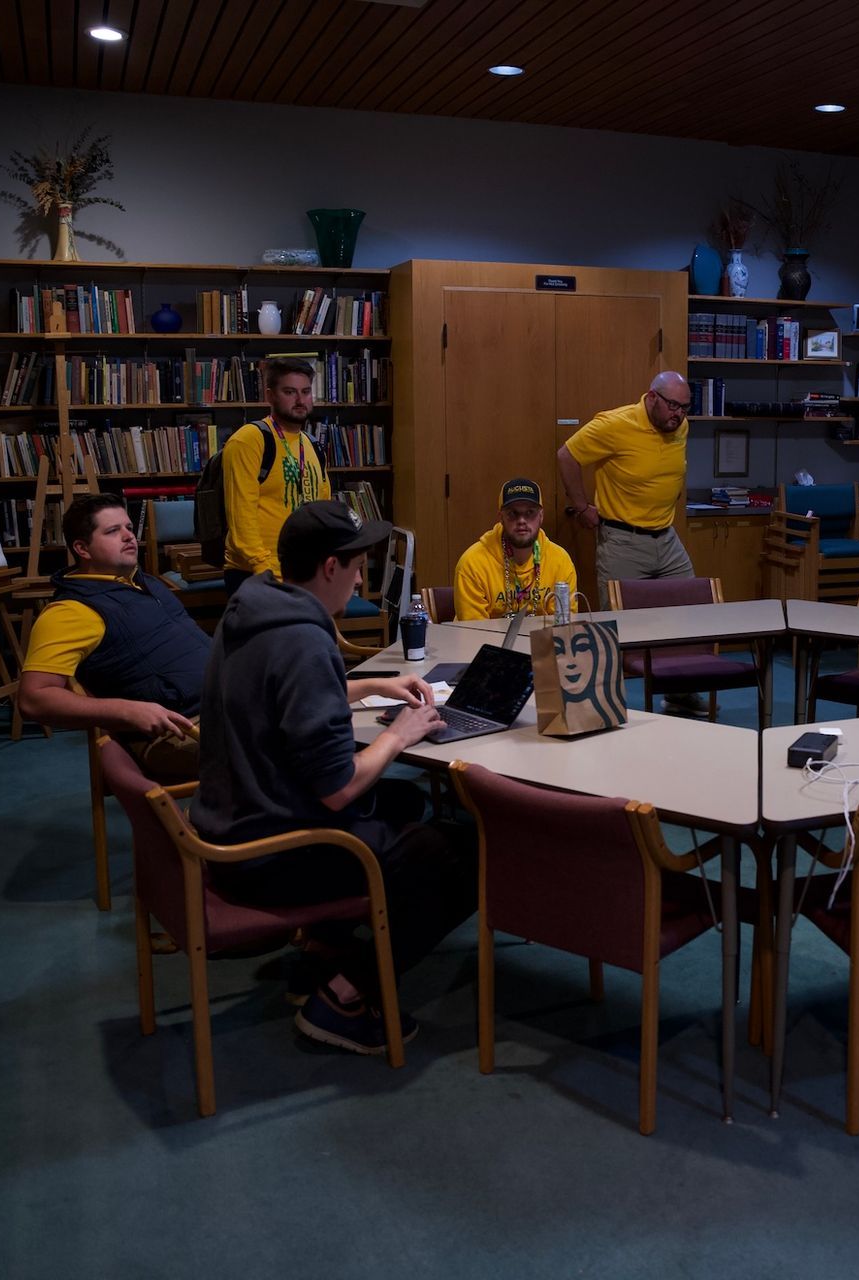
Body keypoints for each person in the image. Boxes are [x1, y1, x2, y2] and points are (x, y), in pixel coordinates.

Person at [192, 500, 473, 1055]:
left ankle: (322, 953)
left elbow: (276, 697)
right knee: (463, 852)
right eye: (357, 564)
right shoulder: (302, 639)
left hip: (228, 824)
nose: (361, 577)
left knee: (398, 806)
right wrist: (402, 734)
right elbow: (338, 786)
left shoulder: (251, 609)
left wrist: (368, 687)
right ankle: (344, 996)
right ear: (328, 567)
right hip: (272, 851)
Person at [16, 493, 211, 779]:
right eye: (112, 531)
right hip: (177, 733)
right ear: (82, 548)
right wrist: (125, 710)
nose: (128, 536)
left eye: (129, 528)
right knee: (291, 744)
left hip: (222, 705)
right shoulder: (71, 612)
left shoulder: (145, 582)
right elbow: (33, 699)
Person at [557, 370, 694, 597]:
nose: (678, 414)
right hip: (623, 543)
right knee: (622, 622)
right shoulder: (615, 424)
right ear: (652, 397)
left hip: (667, 539)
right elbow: (566, 455)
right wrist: (581, 507)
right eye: (672, 405)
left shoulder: (680, 426)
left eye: (684, 407)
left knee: (691, 607)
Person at [222, 356, 330, 597]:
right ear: (270, 395)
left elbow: (322, 511)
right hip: (257, 575)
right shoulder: (249, 440)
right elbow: (241, 515)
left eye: (306, 391)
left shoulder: (312, 445)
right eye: (290, 392)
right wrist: (266, 571)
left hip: (304, 574)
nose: (300, 400)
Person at [453, 477, 578, 620]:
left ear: (541, 516)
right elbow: (472, 632)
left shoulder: (560, 561)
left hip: (542, 641)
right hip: (486, 641)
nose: (522, 521)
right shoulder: (472, 564)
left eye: (530, 513)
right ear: (501, 517)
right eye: (513, 513)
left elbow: (562, 627)